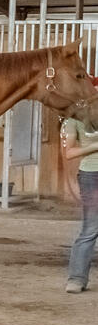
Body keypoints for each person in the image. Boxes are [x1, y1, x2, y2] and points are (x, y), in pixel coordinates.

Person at [64, 112, 98, 293]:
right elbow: (69, 152)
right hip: (91, 175)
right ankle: (77, 278)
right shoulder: (75, 118)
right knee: (90, 228)